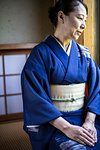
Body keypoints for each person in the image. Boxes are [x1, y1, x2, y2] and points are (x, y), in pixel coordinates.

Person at [21, 0, 100, 150]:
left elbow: (97, 89)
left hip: (83, 119)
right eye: (80, 18)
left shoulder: (85, 54)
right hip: (54, 123)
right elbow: (36, 99)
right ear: (61, 16)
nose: (84, 25)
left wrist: (90, 121)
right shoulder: (40, 54)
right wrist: (67, 128)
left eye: (86, 20)